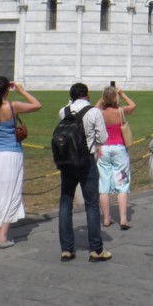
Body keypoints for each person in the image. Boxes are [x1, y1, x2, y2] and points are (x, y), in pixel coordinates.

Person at [0, 76, 41, 248]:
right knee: (10, 192)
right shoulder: (13, 106)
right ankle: (3, 237)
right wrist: (22, 91)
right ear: (7, 90)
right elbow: (37, 105)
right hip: (11, 153)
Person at [57, 82, 109, 262]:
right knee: (92, 205)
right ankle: (96, 249)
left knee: (65, 203)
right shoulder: (94, 112)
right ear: (86, 94)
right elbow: (103, 138)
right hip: (86, 160)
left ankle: (66, 249)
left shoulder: (63, 111)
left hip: (67, 161)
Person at [95, 86, 136, 229]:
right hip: (119, 148)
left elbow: (93, 109)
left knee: (104, 184)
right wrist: (122, 94)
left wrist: (103, 99)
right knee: (122, 183)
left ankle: (106, 218)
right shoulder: (120, 111)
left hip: (104, 148)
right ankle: (123, 218)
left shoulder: (99, 113)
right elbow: (133, 105)